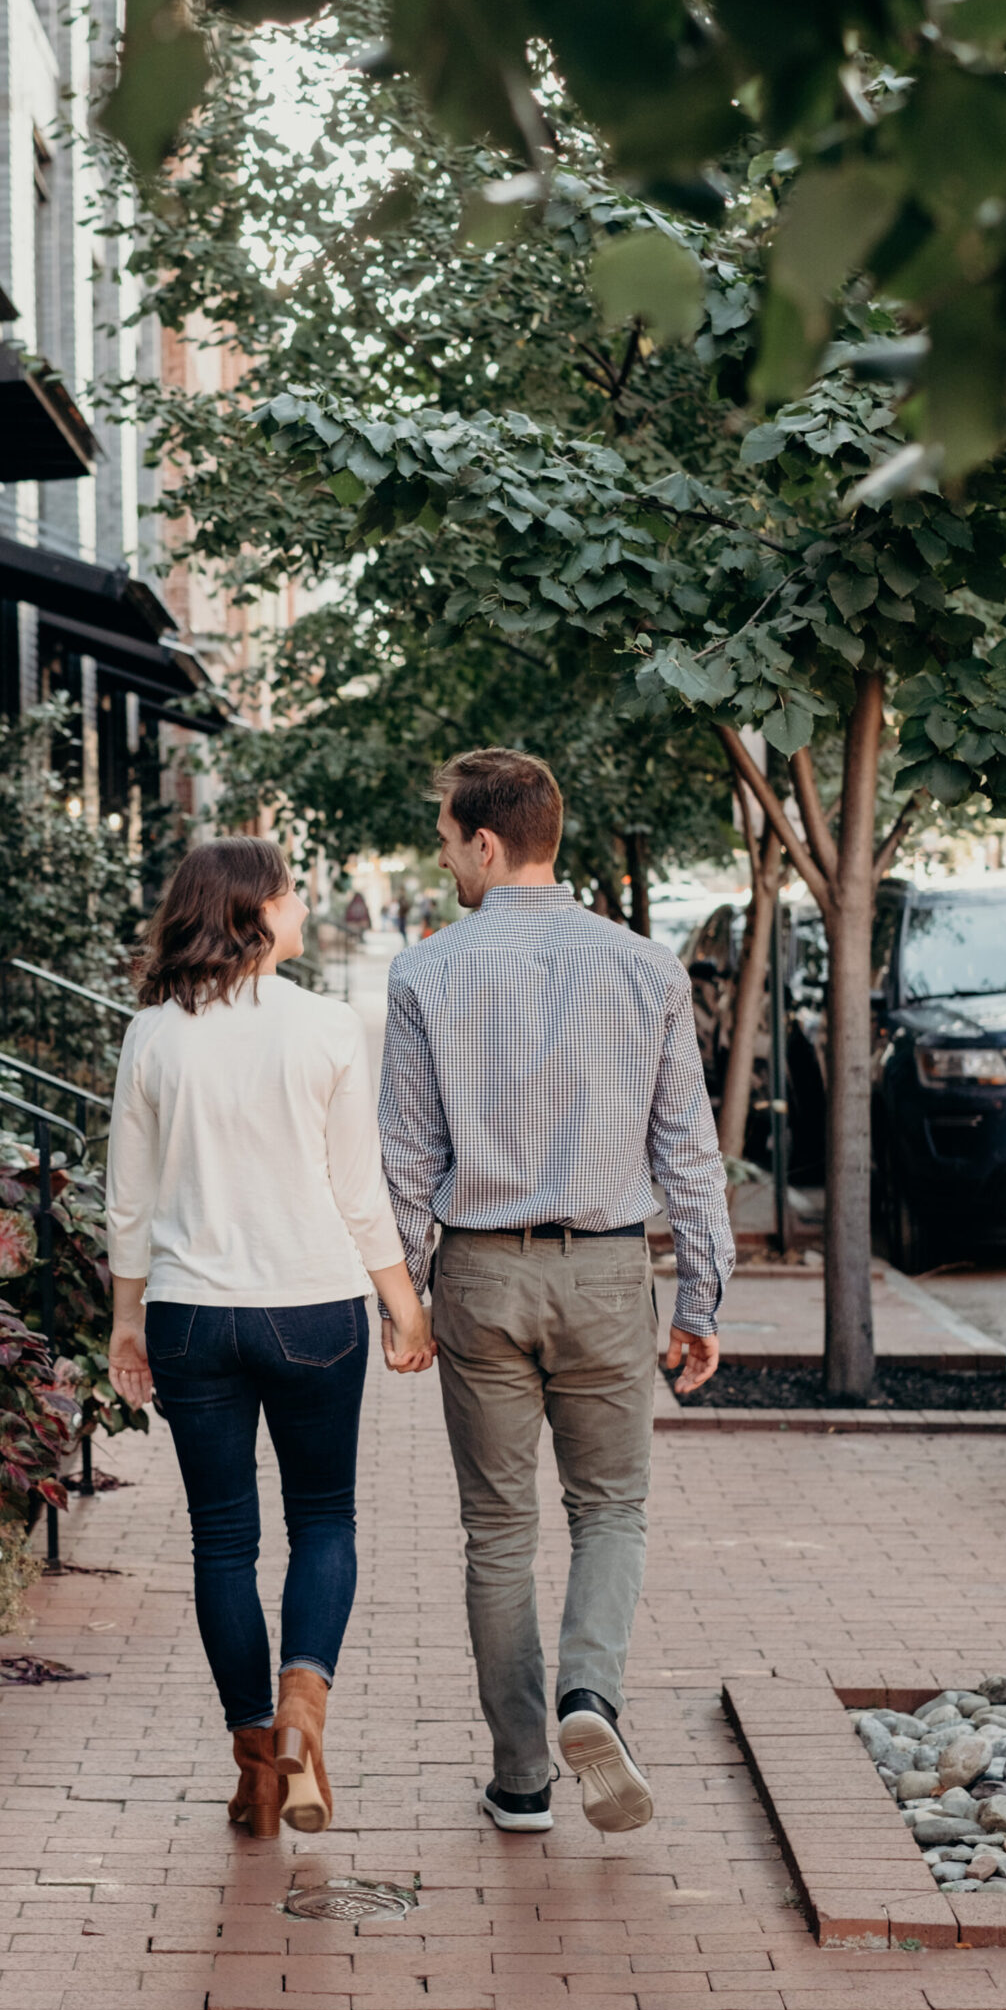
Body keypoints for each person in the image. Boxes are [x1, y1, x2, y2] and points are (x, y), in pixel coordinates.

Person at [379, 749, 732, 1837]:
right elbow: (690, 1152)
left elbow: (402, 1158)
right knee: (610, 1508)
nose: (444, 860)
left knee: (497, 1532)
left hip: (480, 1272)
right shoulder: (646, 968)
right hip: (606, 1270)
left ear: (485, 843)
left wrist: (404, 1302)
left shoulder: (426, 972)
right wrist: (702, 1299)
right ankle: (592, 1695)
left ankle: (524, 1779)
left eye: (446, 841)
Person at [106, 837, 434, 1841]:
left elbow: (128, 1200)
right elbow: (356, 1191)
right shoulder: (327, 1026)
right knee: (324, 1521)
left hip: (193, 1313)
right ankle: (304, 1711)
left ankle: (255, 1765)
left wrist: (125, 1320)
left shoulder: (152, 1034)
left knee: (221, 1542)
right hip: (313, 1310)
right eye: (291, 894)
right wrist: (404, 1304)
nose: (302, 906)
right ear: (252, 911)